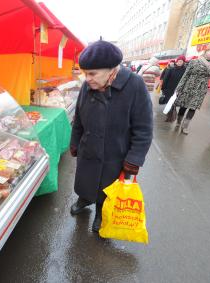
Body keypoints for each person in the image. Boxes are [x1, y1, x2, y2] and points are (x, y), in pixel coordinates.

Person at [69, 41, 153, 233]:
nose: (87, 78)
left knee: (106, 188)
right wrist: (75, 142)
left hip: (115, 153)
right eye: (85, 73)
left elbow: (144, 128)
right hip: (88, 148)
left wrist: (134, 159)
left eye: (92, 73)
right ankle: (84, 199)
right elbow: (79, 118)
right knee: (85, 180)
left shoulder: (134, 85)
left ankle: (101, 212)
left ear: (111, 70)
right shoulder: (87, 86)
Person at [173, 42, 210, 134]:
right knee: (183, 106)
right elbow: (185, 76)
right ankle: (178, 122)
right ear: (207, 50)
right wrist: (178, 89)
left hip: (201, 89)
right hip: (188, 88)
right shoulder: (194, 61)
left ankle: (185, 126)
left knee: (193, 108)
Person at [162, 55, 187, 122]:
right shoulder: (171, 69)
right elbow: (165, 79)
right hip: (169, 89)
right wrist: (163, 88)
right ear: (176, 61)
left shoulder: (185, 71)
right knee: (169, 102)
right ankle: (169, 116)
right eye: (178, 61)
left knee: (174, 103)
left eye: (181, 61)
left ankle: (171, 116)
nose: (179, 62)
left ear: (183, 62)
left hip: (178, 90)